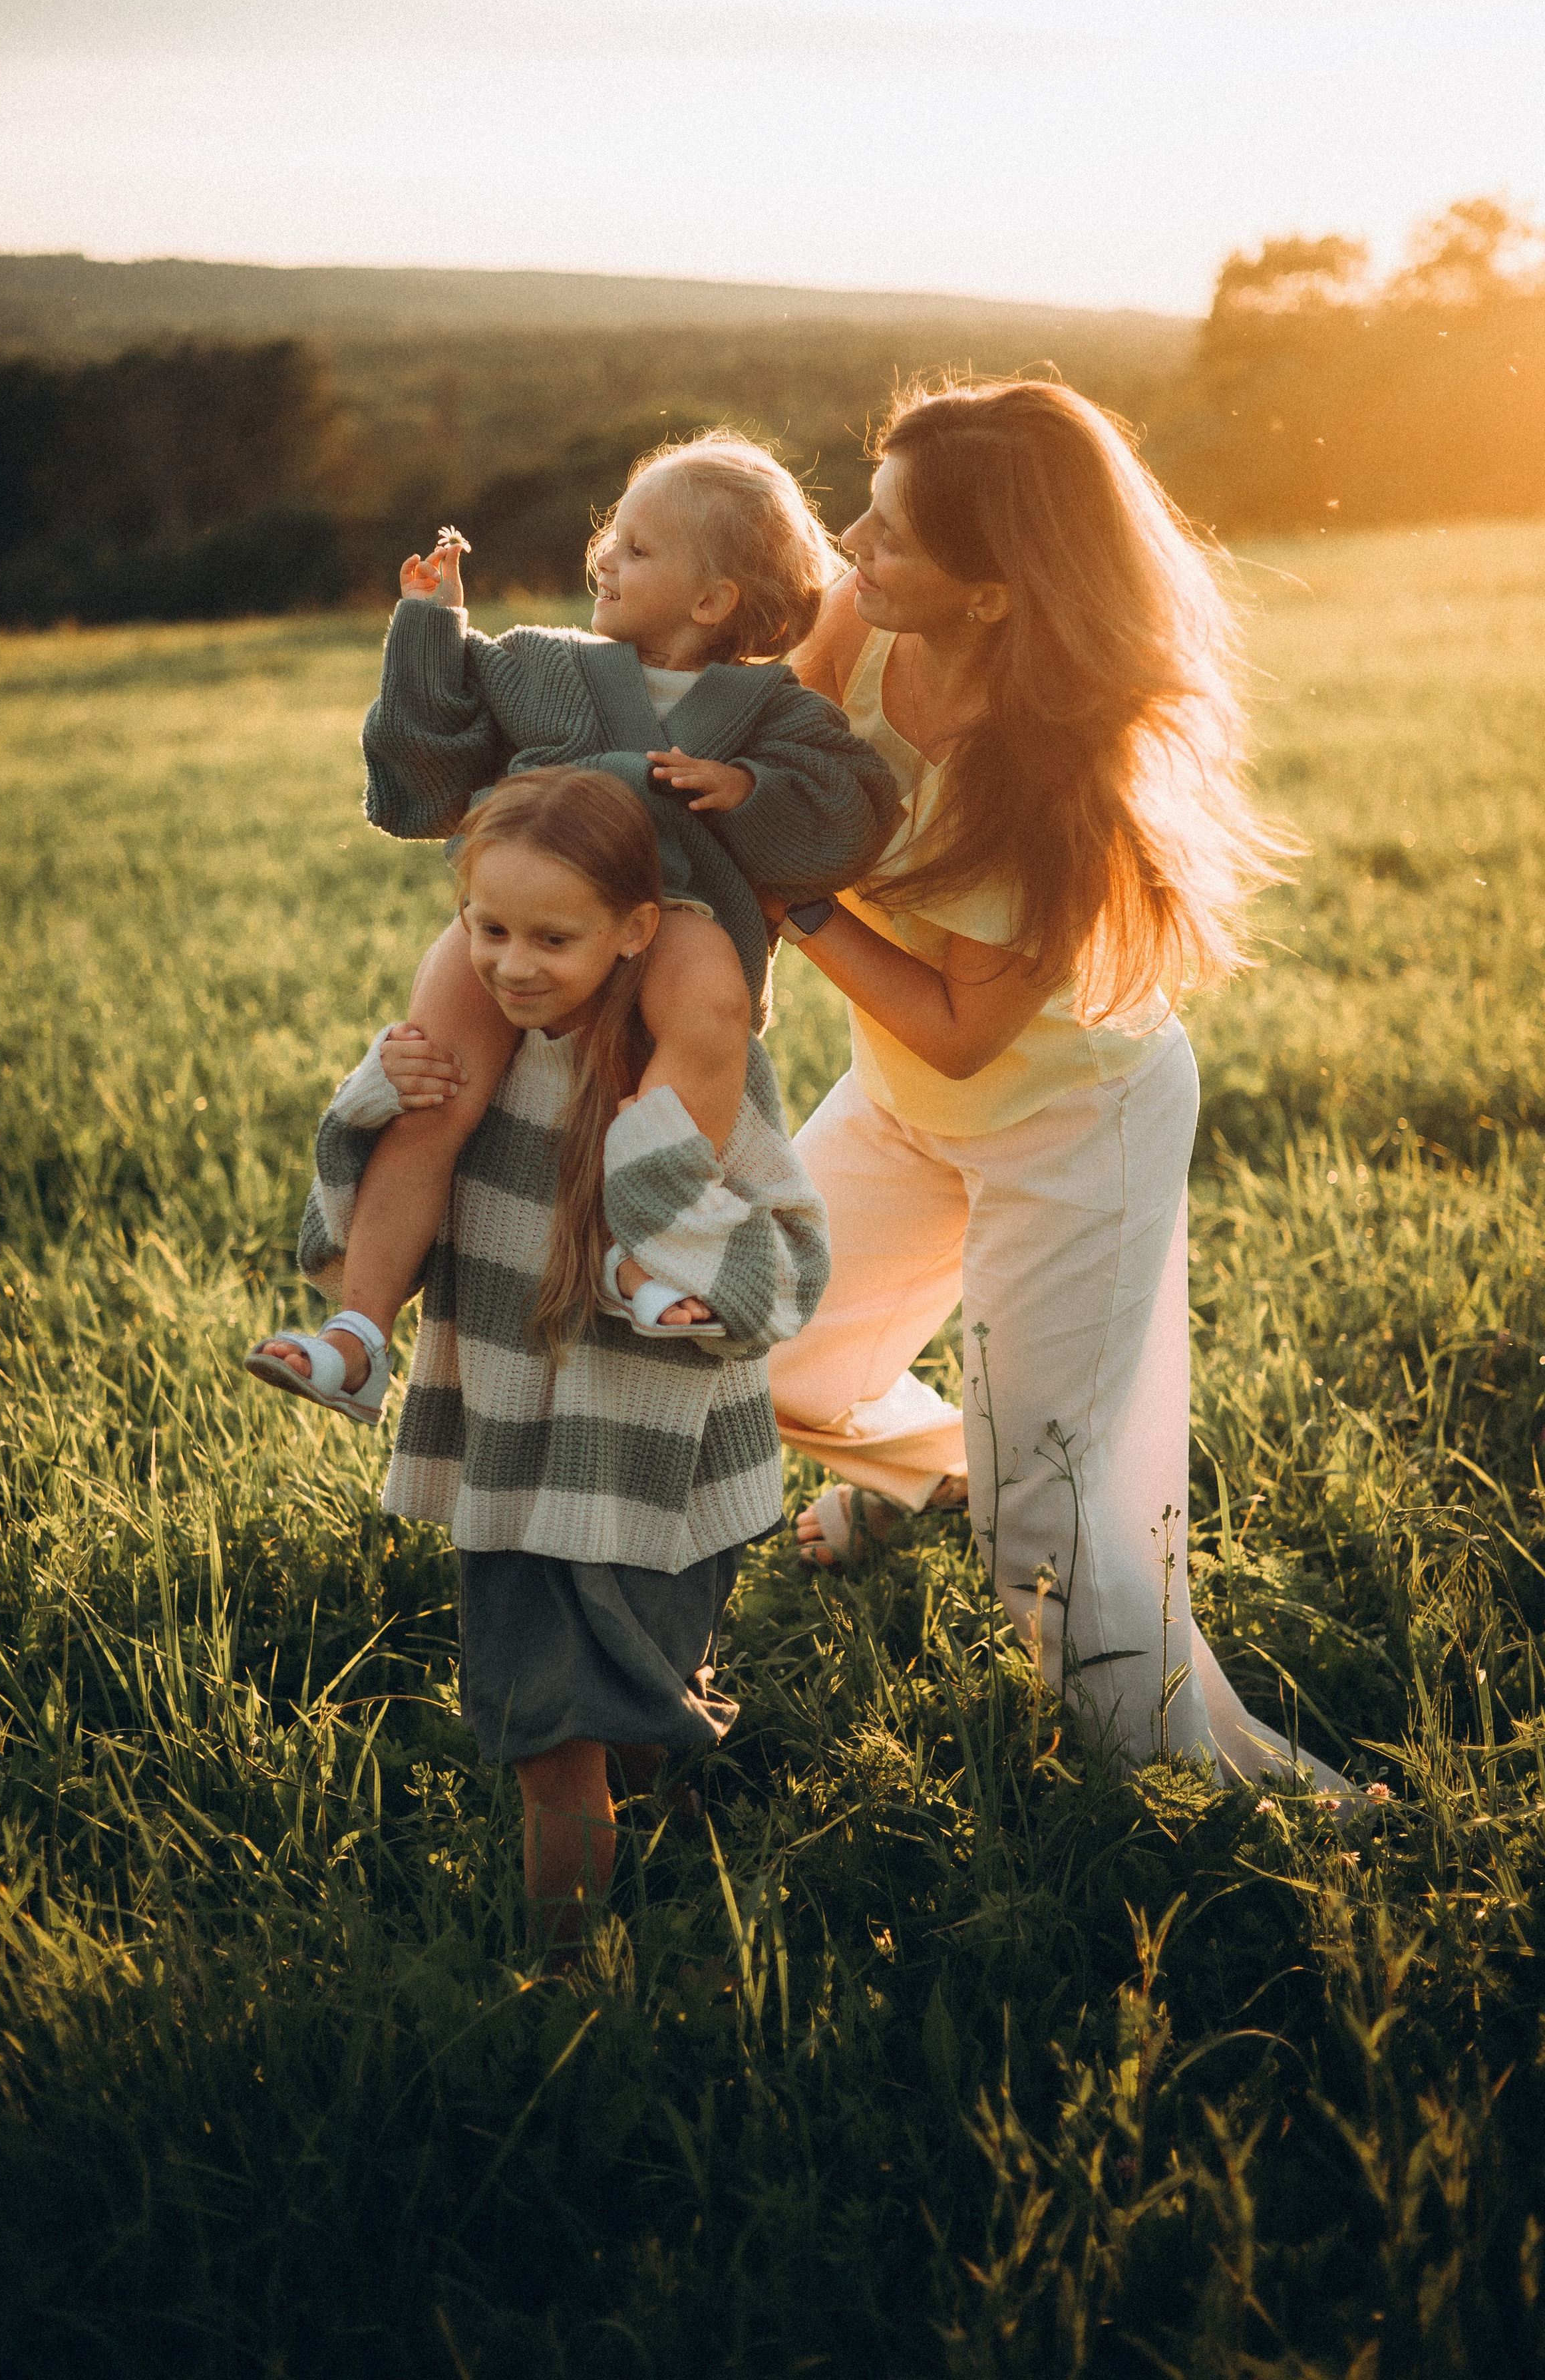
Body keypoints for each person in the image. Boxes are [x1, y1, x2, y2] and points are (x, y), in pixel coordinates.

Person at [766, 378, 1345, 1789]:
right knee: (764, 1357)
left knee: (1053, 1529)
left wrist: (789, 899)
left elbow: (965, 1029)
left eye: (893, 535)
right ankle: (940, 1474)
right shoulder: (864, 618)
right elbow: (770, 748)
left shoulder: (1052, 778)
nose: (848, 544)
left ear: (994, 593)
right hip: (904, 1101)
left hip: (1066, 1124)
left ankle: (1220, 1796)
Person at [282, 768, 830, 1948]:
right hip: (517, 1456)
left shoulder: (692, 1076)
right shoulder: (474, 1078)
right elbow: (363, 1229)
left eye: (553, 937)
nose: (514, 966)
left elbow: (786, 1265)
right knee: (551, 1740)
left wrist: (670, 1264)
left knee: (639, 1703)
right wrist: (374, 1099)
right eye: (488, 930)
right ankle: (564, 1962)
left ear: (638, 932)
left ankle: (669, 1834)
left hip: (652, 1458)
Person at [248, 431, 895, 1418]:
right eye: (611, 538)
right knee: (437, 1087)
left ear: (714, 600)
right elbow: (423, 780)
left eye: (637, 549)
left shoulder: (773, 711)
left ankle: (651, 1248)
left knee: (709, 1002)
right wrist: (430, 627)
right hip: (519, 915)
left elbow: (851, 816)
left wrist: (747, 788)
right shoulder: (544, 665)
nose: (605, 558)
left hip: (668, 923)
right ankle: (360, 1333)